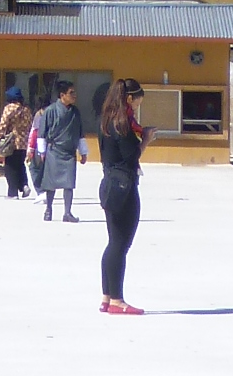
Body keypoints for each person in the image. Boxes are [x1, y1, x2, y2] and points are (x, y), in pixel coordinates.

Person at [97, 78, 152, 313]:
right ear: (129, 98)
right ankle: (118, 300)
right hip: (124, 187)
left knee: (113, 243)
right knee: (120, 244)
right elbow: (131, 156)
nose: (138, 106)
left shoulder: (107, 121)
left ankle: (107, 296)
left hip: (109, 182)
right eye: (138, 100)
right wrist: (146, 140)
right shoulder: (124, 123)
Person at [35, 78, 85, 224]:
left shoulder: (75, 113)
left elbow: (80, 133)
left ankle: (67, 212)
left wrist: (83, 151)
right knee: (51, 183)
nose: (74, 95)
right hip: (53, 152)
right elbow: (42, 133)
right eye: (71, 93)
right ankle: (49, 209)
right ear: (62, 95)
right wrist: (41, 152)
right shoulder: (50, 111)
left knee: (69, 184)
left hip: (69, 153)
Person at [0, 86, 34, 199]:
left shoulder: (10, 108)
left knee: (10, 166)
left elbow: (3, 125)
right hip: (24, 142)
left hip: (11, 142)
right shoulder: (27, 110)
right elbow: (30, 125)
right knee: (20, 165)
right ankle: (24, 185)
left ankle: (12, 193)